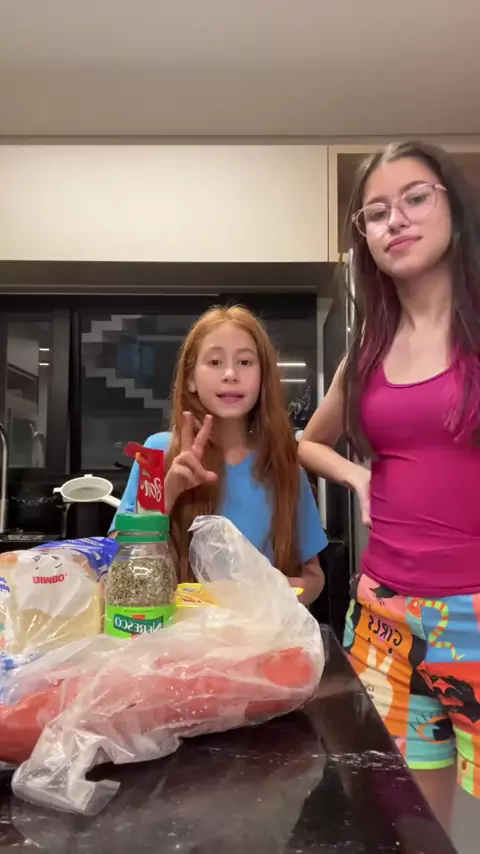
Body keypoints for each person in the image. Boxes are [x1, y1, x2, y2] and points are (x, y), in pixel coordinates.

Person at [298, 141, 480, 829]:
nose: (395, 220)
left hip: (476, 615)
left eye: (415, 198)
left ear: (454, 209)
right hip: (383, 619)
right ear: (366, 239)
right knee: (405, 822)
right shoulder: (368, 352)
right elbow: (308, 442)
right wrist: (357, 475)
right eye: (376, 213)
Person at [112, 305, 326, 605]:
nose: (230, 374)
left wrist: (271, 593)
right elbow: (118, 568)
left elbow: (313, 576)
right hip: (177, 630)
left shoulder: (284, 467)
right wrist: (167, 493)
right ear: (190, 379)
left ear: (263, 378)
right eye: (214, 361)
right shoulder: (157, 453)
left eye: (245, 362)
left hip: (263, 631)